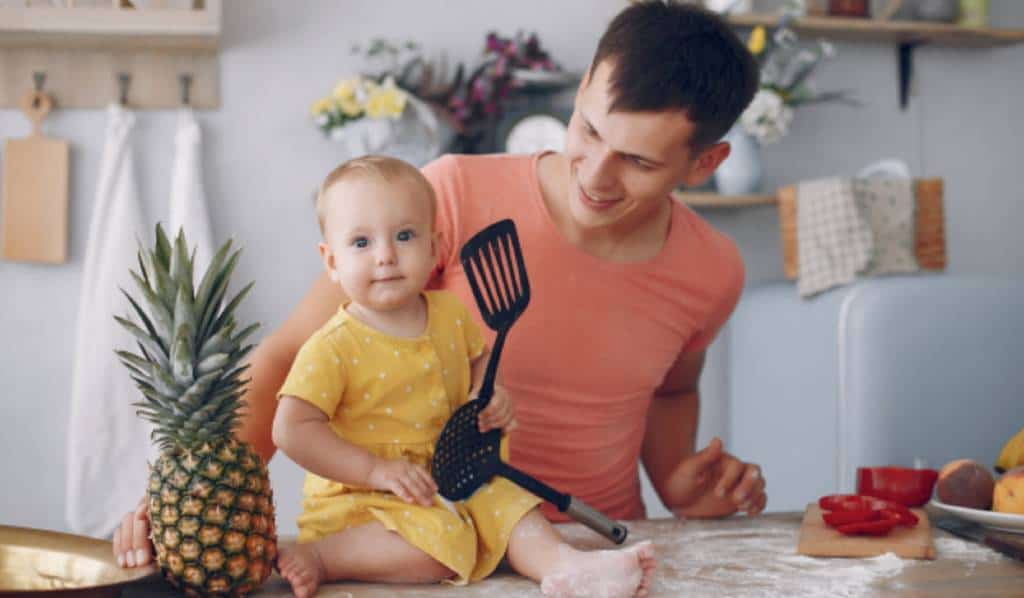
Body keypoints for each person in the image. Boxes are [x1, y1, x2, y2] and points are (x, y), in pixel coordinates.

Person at [114, 0, 767, 579]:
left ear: (705, 163)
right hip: (424, 541)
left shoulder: (712, 270)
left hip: (593, 550)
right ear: (582, 91)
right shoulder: (451, 193)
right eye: (589, 130)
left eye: (640, 161)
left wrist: (679, 483)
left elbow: (672, 390)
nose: (595, 175)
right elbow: (291, 360)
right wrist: (190, 500)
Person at [272, 155, 656, 597]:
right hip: (366, 502)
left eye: (404, 235)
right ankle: (322, 556)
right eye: (361, 243)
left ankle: (568, 568)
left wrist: (488, 396)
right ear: (332, 261)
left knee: (513, 504)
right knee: (435, 549)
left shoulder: (450, 314)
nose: (386, 256)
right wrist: (374, 471)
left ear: (434, 248)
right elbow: (291, 429)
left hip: (450, 478)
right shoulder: (334, 346)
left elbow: (478, 361)